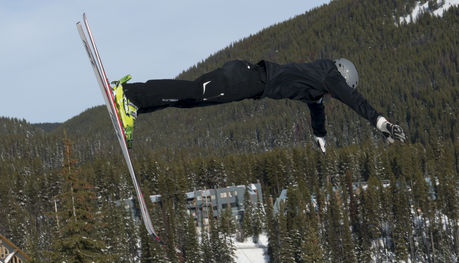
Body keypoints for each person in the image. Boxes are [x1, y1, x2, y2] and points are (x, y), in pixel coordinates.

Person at [111, 58, 406, 151]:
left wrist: (321, 138)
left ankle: (134, 107)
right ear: (342, 79)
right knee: (194, 91)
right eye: (337, 91)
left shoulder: (317, 86)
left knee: (190, 100)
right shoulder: (330, 76)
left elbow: (317, 108)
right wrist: (382, 124)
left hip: (249, 85)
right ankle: (129, 94)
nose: (333, 96)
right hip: (246, 78)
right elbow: (355, 101)